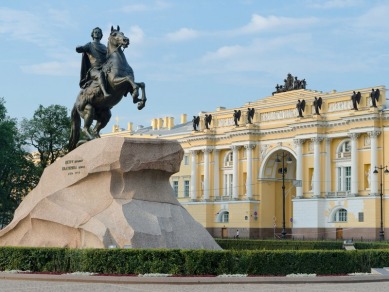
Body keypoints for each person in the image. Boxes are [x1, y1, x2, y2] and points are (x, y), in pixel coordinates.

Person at [76, 27, 111, 98]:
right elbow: (81, 49)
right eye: (96, 32)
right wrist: (79, 48)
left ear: (101, 35)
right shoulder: (89, 45)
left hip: (104, 68)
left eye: (99, 32)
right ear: (93, 34)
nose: (97, 34)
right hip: (94, 70)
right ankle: (105, 93)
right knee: (100, 74)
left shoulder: (104, 47)